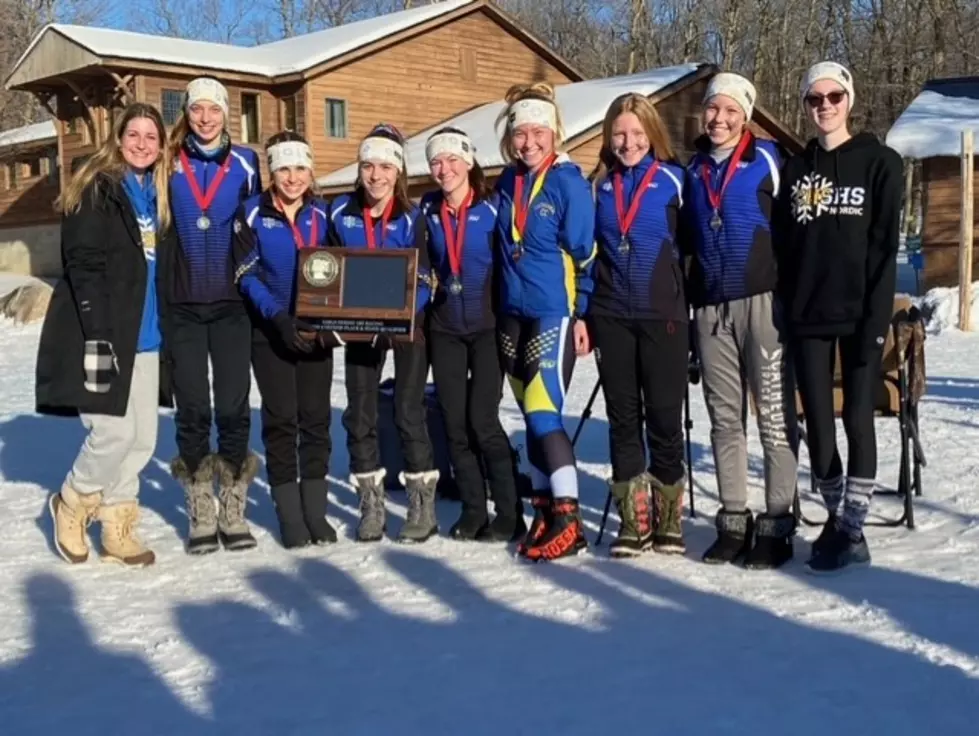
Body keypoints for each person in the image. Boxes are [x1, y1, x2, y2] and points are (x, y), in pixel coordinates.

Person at [37, 102, 175, 568]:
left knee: (141, 441)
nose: (141, 144)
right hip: (103, 333)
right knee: (112, 434)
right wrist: (97, 330)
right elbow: (83, 263)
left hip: (148, 334)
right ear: (118, 139)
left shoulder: (154, 193)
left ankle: (118, 525)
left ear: (160, 146)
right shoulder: (98, 189)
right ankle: (72, 502)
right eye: (133, 135)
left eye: (150, 137)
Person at [778, 61, 902, 574]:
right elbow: (783, 247)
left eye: (834, 97)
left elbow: (884, 249)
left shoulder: (882, 163)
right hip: (808, 314)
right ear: (805, 105)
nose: (825, 107)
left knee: (857, 420)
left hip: (860, 316)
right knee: (821, 429)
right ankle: (836, 520)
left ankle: (853, 530)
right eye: (815, 99)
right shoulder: (794, 169)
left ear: (849, 100)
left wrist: (876, 325)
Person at [684, 72, 799, 569]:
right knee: (724, 418)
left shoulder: (770, 160)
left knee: (772, 415)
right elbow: (683, 241)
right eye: (713, 108)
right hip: (711, 307)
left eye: (731, 110)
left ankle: (777, 521)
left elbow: (796, 230)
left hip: (763, 303)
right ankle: (734, 520)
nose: (720, 118)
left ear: (746, 115)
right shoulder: (690, 170)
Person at [494, 82, 596, 562]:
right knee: (528, 416)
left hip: (553, 311)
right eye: (521, 132)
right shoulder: (506, 180)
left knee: (542, 410)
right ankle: (544, 510)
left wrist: (583, 313)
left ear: (553, 132)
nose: (529, 141)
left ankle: (570, 519)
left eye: (538, 132)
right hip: (512, 314)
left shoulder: (568, 180)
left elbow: (586, 254)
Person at [588, 93, 688, 557]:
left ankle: (669, 514)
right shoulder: (599, 186)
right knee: (622, 418)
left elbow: (695, 247)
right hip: (612, 316)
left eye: (636, 133)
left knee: (665, 418)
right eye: (619, 134)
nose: (628, 143)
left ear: (652, 133)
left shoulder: (674, 179)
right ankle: (634, 516)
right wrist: (583, 313)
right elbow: (587, 257)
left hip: (662, 317)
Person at [328, 123, 437, 543]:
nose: (376, 176)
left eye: (385, 167)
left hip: (407, 327)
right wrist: (332, 320)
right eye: (368, 166)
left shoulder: (413, 217)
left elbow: (427, 275)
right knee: (361, 413)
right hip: (360, 328)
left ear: (399, 172)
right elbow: (325, 270)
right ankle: (370, 503)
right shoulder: (340, 212)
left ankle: (420, 503)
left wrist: (409, 315)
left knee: (409, 410)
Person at [167, 76, 262, 555]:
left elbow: (260, 228)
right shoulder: (167, 160)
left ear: (227, 113)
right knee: (192, 408)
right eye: (196, 109)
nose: (205, 118)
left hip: (230, 305)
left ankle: (233, 504)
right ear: (186, 113)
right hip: (182, 305)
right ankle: (200, 506)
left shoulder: (248, 162)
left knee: (232, 406)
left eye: (214, 109)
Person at [232, 131, 339, 549]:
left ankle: (316, 511)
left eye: (299, 169)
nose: (292, 178)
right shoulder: (251, 213)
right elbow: (246, 272)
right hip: (271, 329)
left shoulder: (324, 214)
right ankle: (290, 514)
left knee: (315, 420)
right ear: (271, 173)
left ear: (310, 171)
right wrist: (277, 319)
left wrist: (331, 321)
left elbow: (341, 270)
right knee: (281, 421)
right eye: (283, 169)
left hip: (316, 330)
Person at [420, 126, 526, 542]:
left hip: (486, 328)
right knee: (454, 424)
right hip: (444, 329)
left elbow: (514, 262)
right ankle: (472, 509)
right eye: (436, 162)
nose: (444, 169)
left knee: (482, 420)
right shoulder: (427, 211)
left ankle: (509, 511)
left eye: (451, 160)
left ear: (468, 161)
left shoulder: (494, 206)